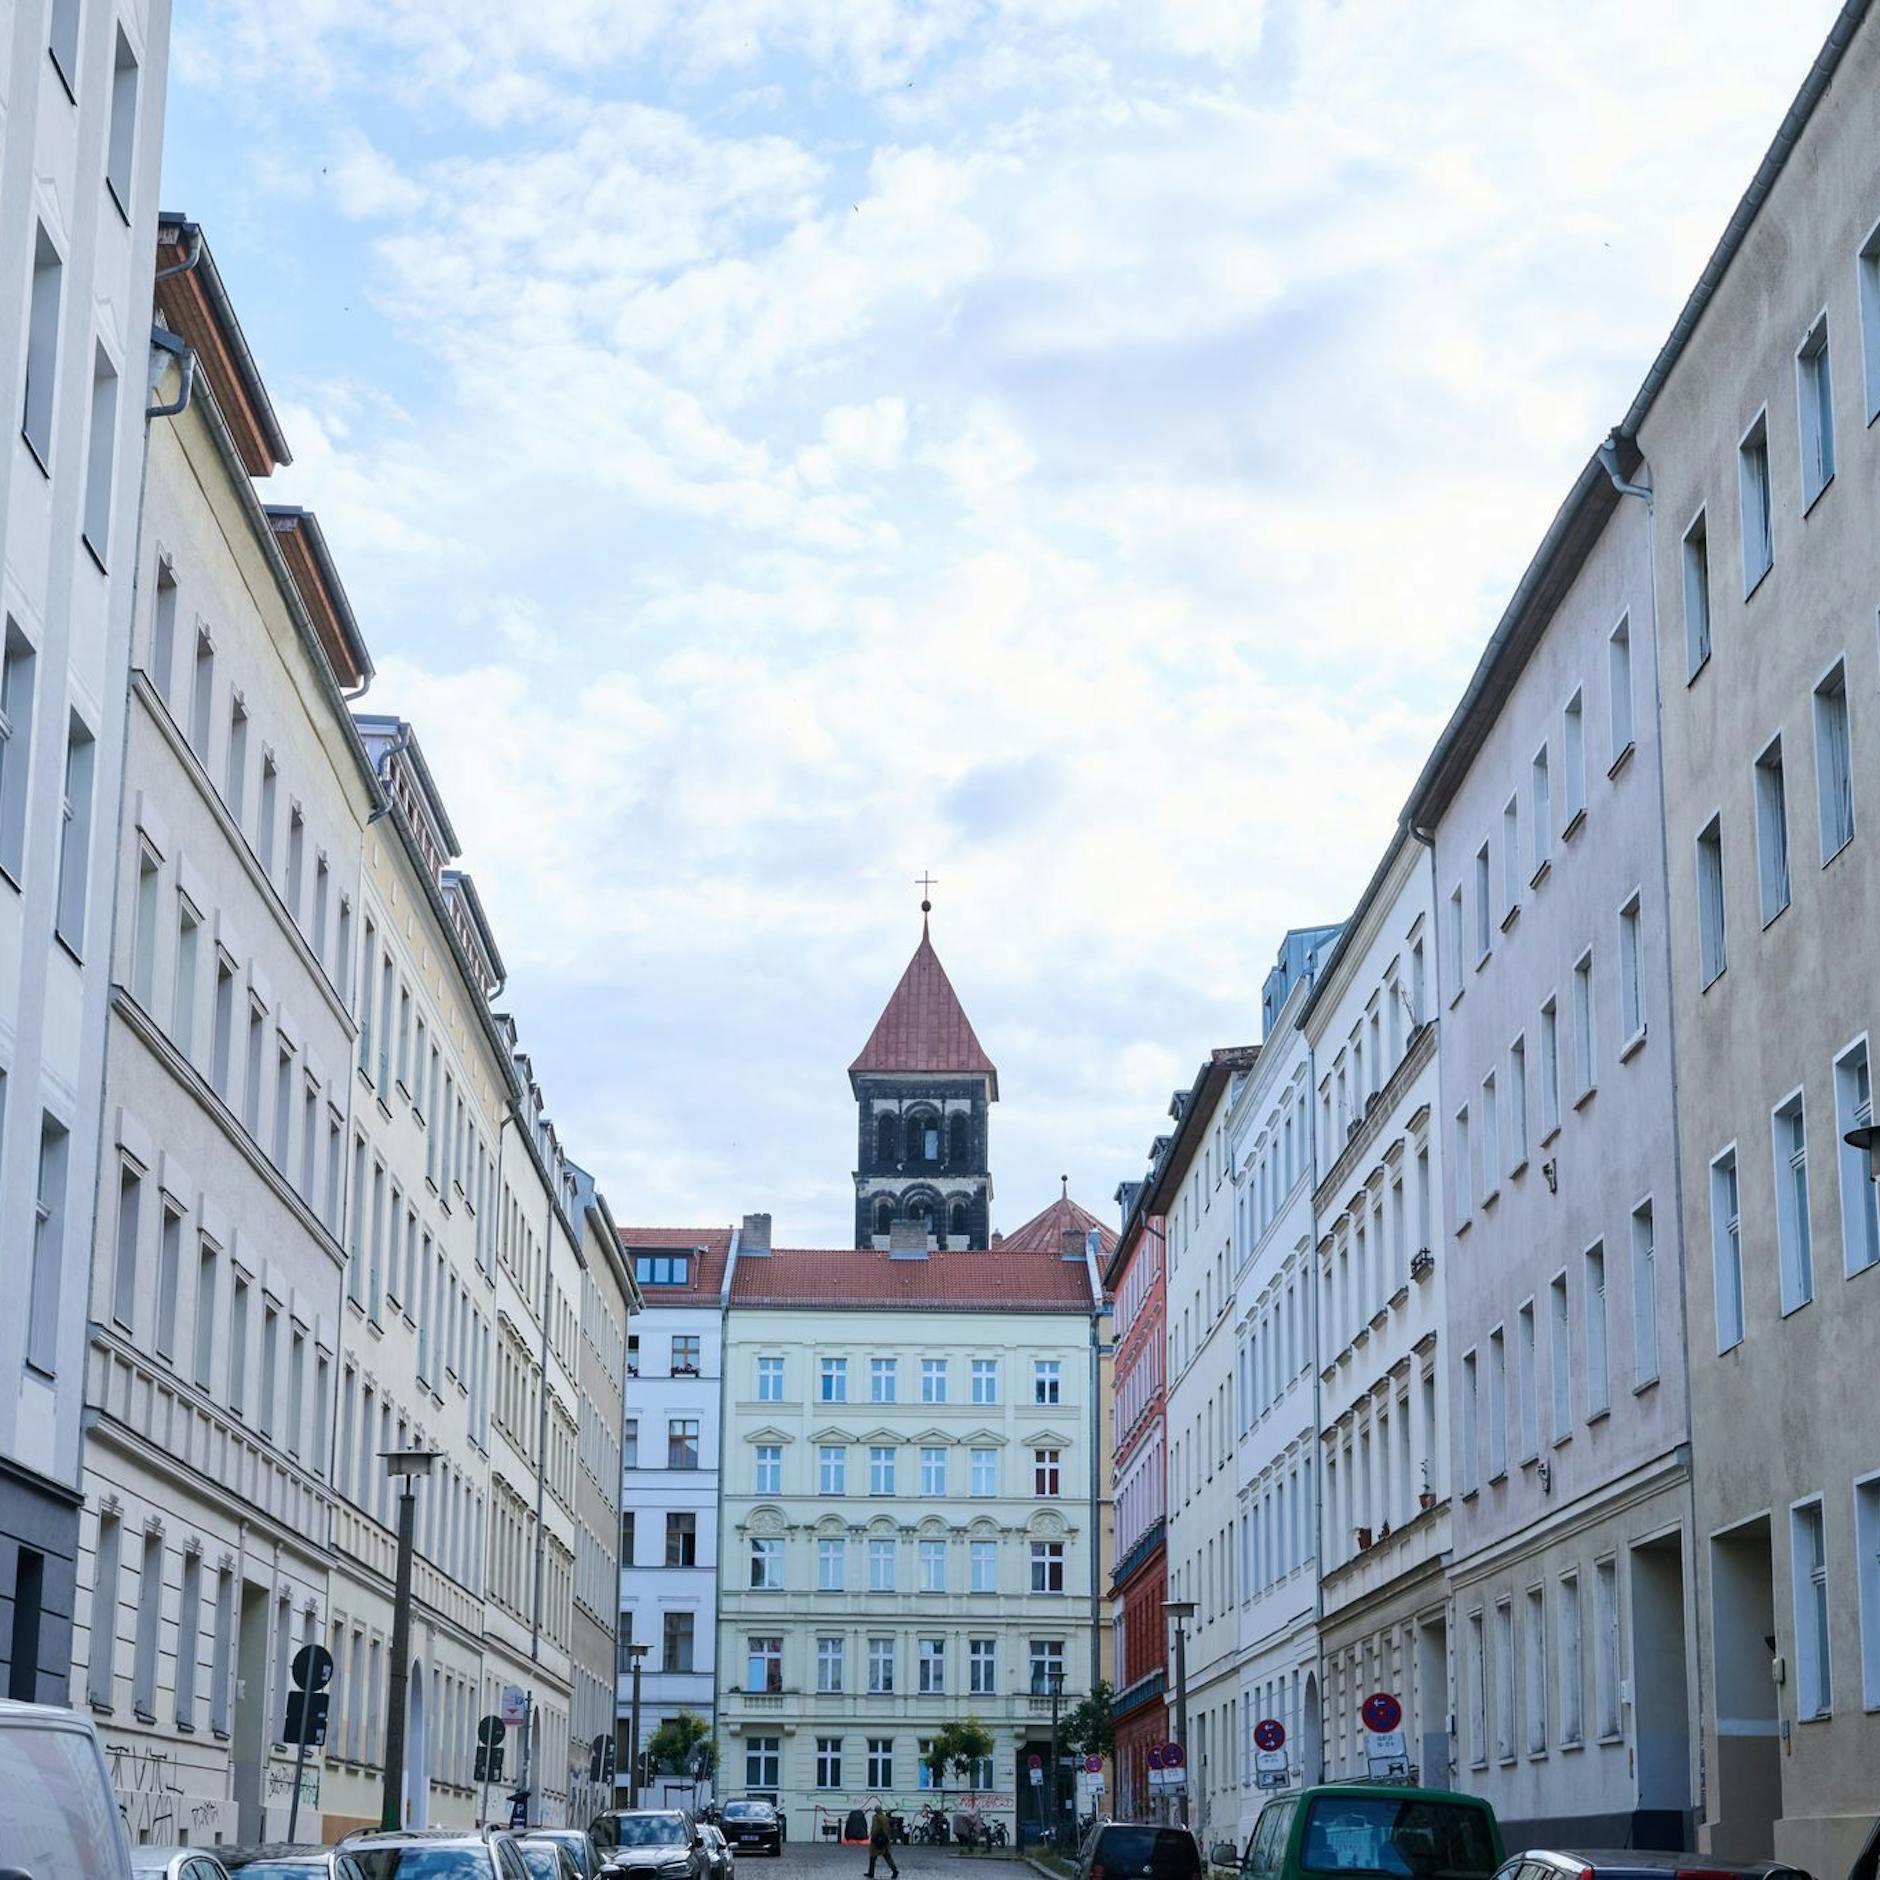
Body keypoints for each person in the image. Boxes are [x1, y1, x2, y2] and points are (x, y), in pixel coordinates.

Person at [868, 1804, 900, 1879]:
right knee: (887, 1856)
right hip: (885, 1840)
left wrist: (872, 1837)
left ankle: (871, 1873)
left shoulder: (875, 1818)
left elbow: (874, 1828)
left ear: (876, 1811)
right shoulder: (886, 1818)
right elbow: (888, 1829)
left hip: (877, 1840)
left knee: (872, 1857)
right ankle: (894, 1870)